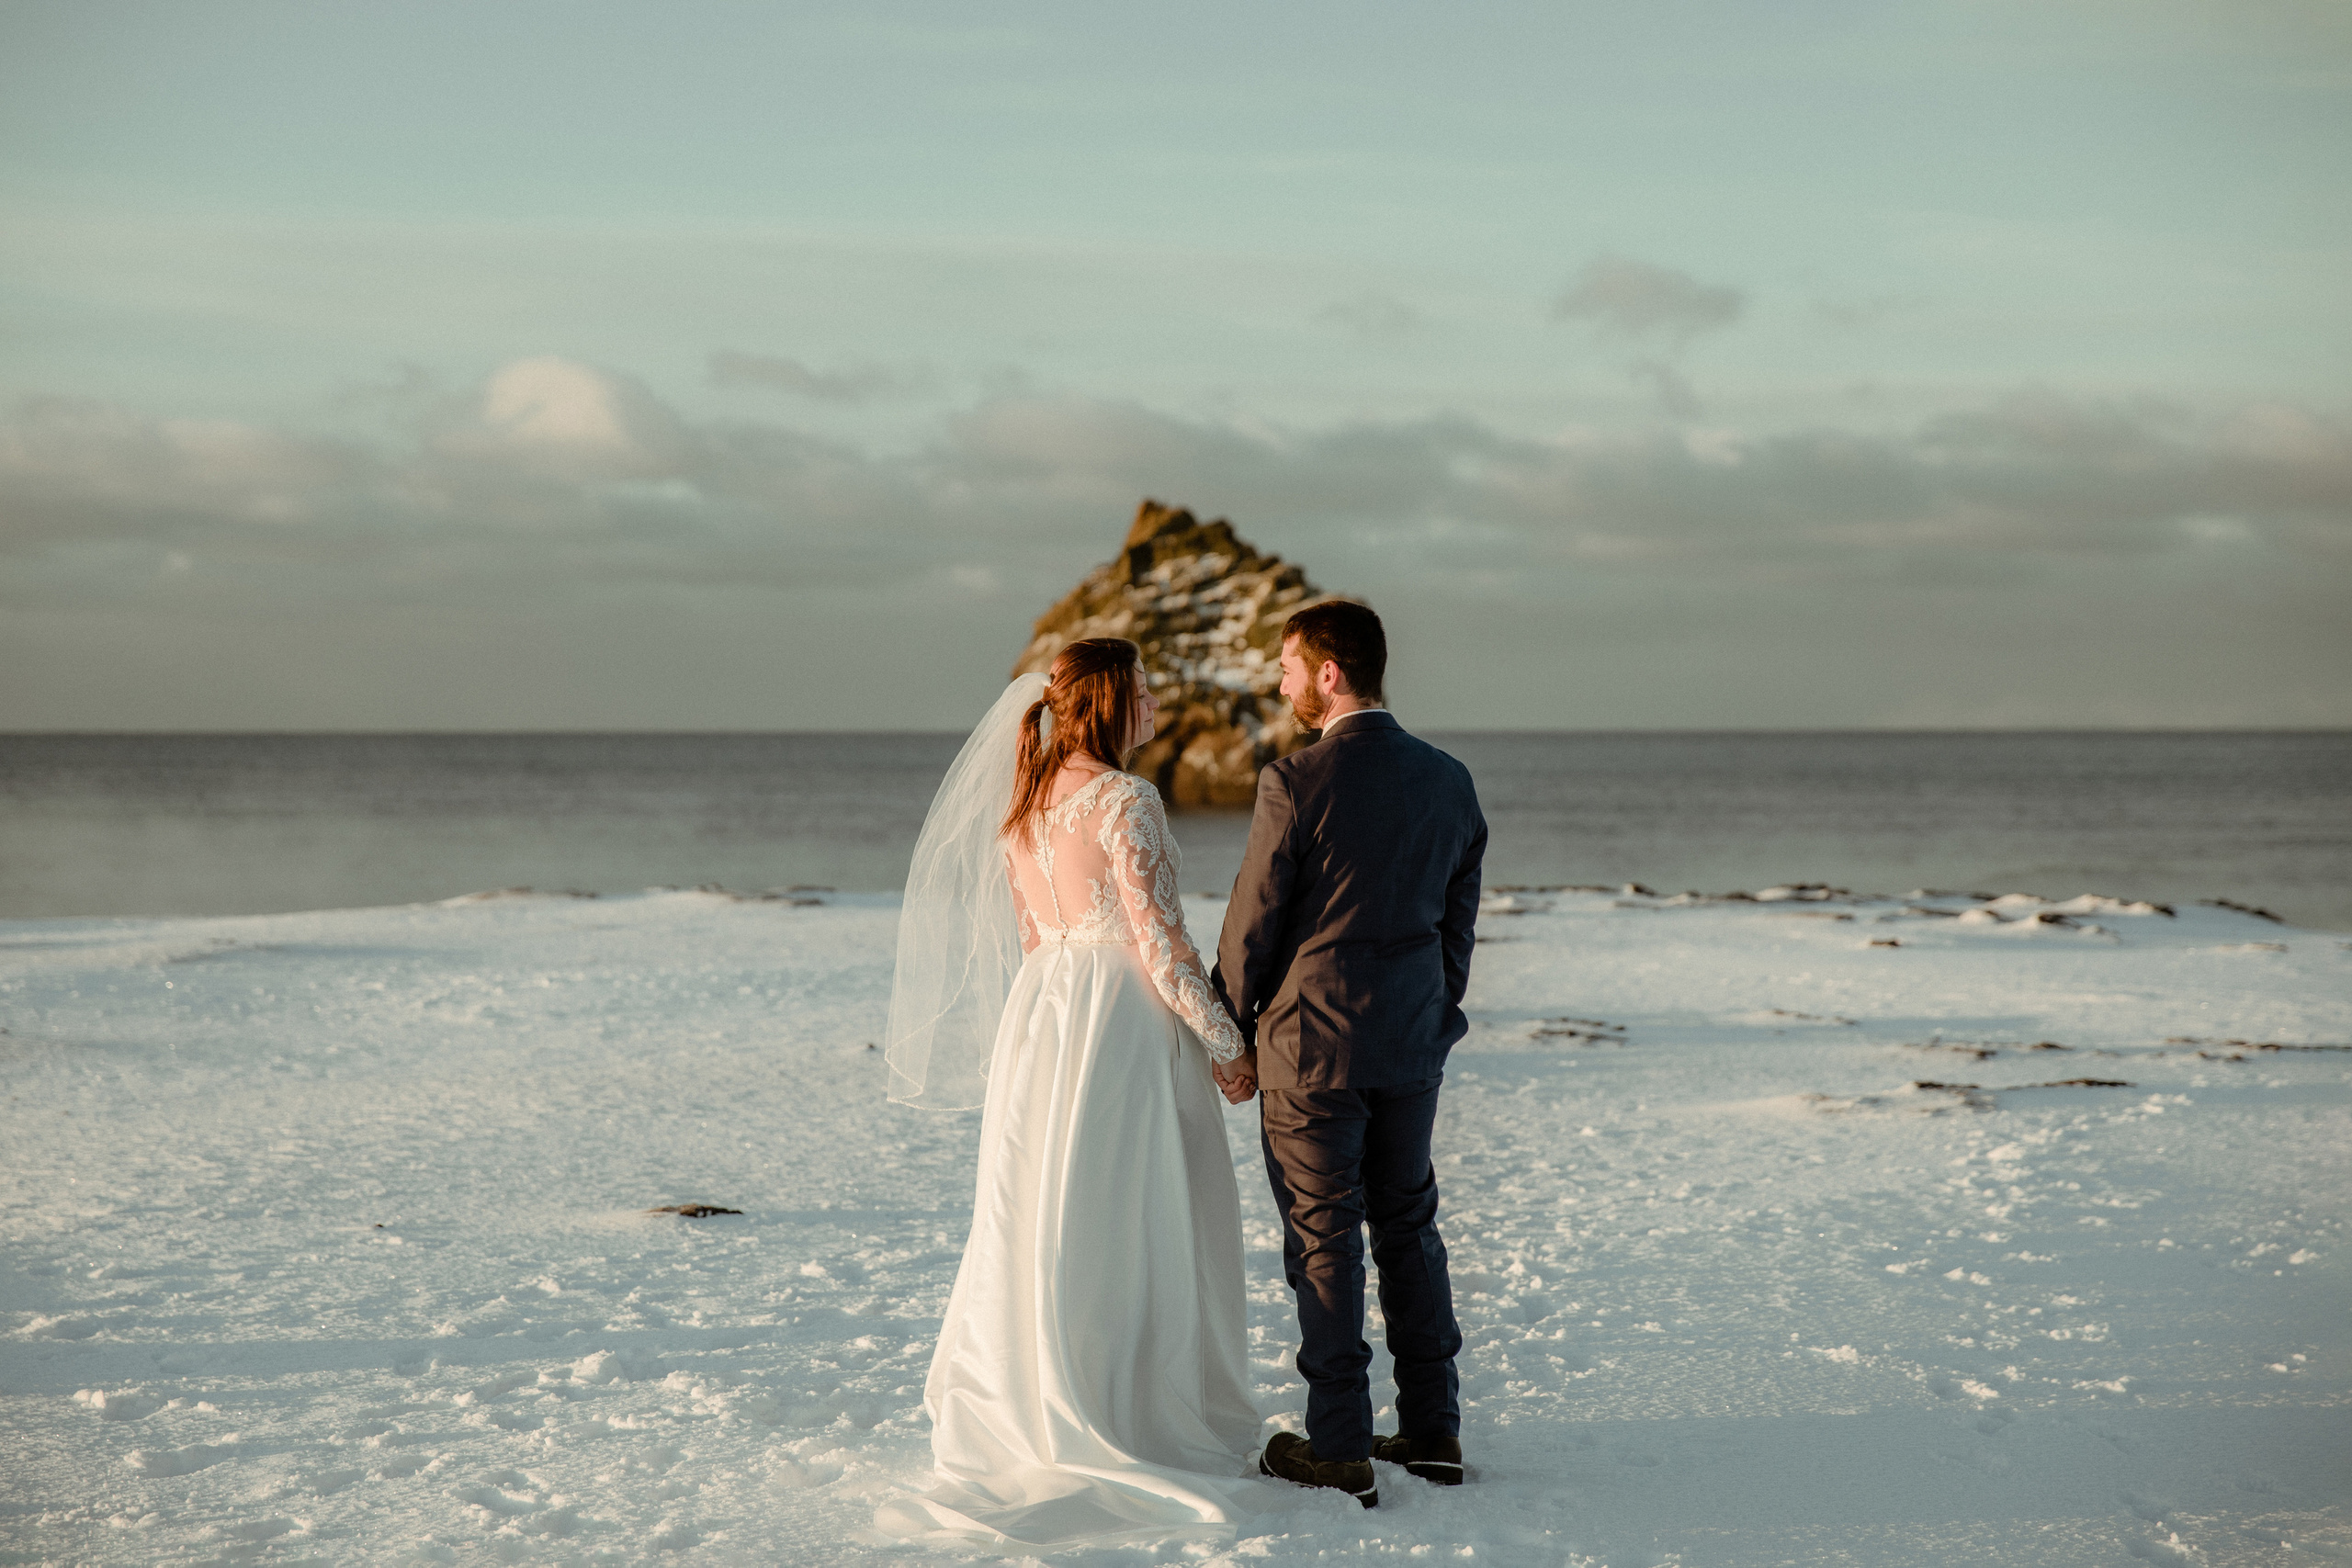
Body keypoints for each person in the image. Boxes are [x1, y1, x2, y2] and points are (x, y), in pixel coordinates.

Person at [876, 637, 1295, 1551]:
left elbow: (1035, 933)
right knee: (1129, 1204)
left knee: (1045, 1204)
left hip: (1048, 1017)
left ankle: (1041, 1386)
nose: (1153, 707)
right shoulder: (1125, 799)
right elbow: (1163, 945)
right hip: (1120, 1020)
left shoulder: (1023, 805)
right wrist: (1228, 1046)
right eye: (1142, 692)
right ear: (1106, 703)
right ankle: (1127, 1400)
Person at [1212, 599, 1487, 1508]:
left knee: (1323, 1239)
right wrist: (1434, 1013)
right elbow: (1456, 928)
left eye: (1289, 664)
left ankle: (1337, 1444)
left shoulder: (1293, 780)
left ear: (1330, 672)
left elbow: (1253, 923)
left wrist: (1229, 1028)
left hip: (1309, 1048)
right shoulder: (1449, 779)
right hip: (1409, 1045)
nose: (1280, 680)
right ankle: (1433, 1430)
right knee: (1407, 1228)